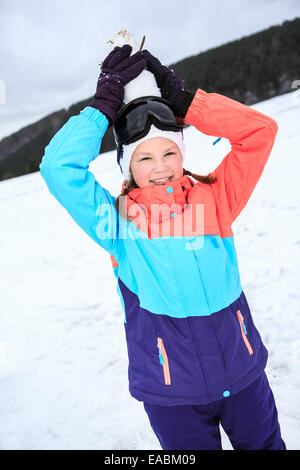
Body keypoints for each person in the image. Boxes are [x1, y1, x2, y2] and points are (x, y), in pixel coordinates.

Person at [39, 45, 286, 450]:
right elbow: (58, 168)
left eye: (170, 151)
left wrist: (188, 101)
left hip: (243, 378)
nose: (160, 167)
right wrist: (101, 107)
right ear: (126, 167)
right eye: (144, 157)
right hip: (172, 396)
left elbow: (260, 132)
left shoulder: (215, 200)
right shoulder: (116, 223)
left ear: (183, 154)